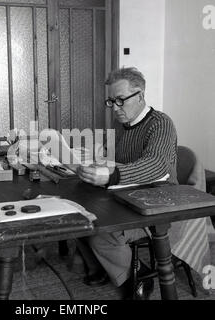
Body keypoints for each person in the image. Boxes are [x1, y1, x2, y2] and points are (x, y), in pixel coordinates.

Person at [76, 67, 178, 299]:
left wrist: (111, 175)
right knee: (77, 214)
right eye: (111, 101)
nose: (115, 107)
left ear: (140, 96)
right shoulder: (121, 126)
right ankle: (101, 268)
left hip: (158, 201)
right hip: (128, 193)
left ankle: (136, 280)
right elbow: (115, 160)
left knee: (100, 230)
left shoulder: (161, 123)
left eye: (121, 100)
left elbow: (156, 166)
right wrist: (95, 159)